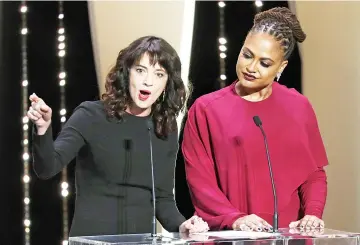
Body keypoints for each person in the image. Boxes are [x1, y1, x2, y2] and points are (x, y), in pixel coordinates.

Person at [27, 36, 209, 237]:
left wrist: (183, 226)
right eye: (140, 71)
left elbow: (163, 198)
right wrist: (42, 129)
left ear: (167, 84)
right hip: (93, 240)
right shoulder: (90, 115)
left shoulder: (165, 126)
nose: (148, 81)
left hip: (141, 241)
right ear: (126, 72)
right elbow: (46, 168)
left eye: (159, 74)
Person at [182, 7, 328, 232]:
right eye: (247, 55)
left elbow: (313, 174)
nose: (251, 68)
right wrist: (235, 218)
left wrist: (312, 214)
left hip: (287, 235)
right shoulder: (205, 110)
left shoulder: (299, 106)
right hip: (231, 235)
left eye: (265, 63)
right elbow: (200, 182)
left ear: (281, 67)